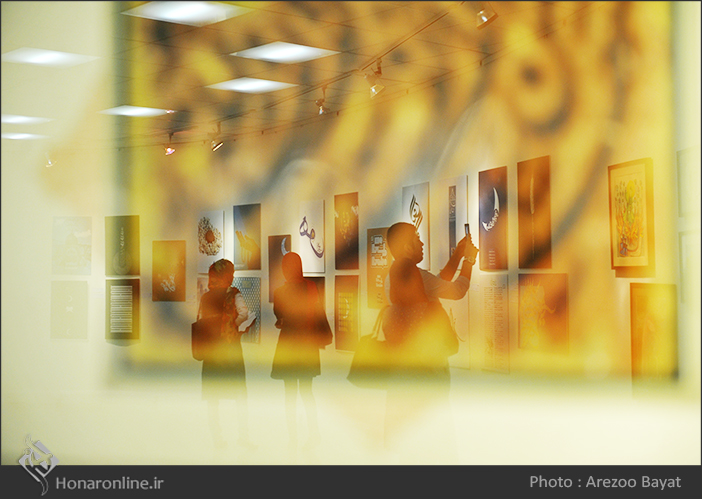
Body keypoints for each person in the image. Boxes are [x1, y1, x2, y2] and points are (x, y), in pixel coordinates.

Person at [381, 221, 478, 462]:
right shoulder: (415, 275)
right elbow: (455, 290)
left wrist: (456, 255)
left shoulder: (392, 277)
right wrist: (468, 262)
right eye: (416, 238)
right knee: (435, 435)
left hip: (401, 369)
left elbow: (434, 285)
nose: (422, 242)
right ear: (405, 246)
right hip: (428, 367)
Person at [271, 252, 330, 454]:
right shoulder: (311, 288)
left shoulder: (279, 292)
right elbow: (319, 313)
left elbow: (279, 317)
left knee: (289, 394)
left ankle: (292, 438)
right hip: (307, 345)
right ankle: (314, 434)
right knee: (307, 391)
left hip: (288, 344)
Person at [197, 258, 253, 450]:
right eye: (231, 273)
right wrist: (234, 327)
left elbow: (202, 321)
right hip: (231, 350)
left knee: (213, 398)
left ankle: (217, 440)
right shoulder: (234, 294)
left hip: (212, 351)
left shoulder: (206, 297)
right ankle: (243, 438)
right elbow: (244, 314)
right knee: (239, 396)